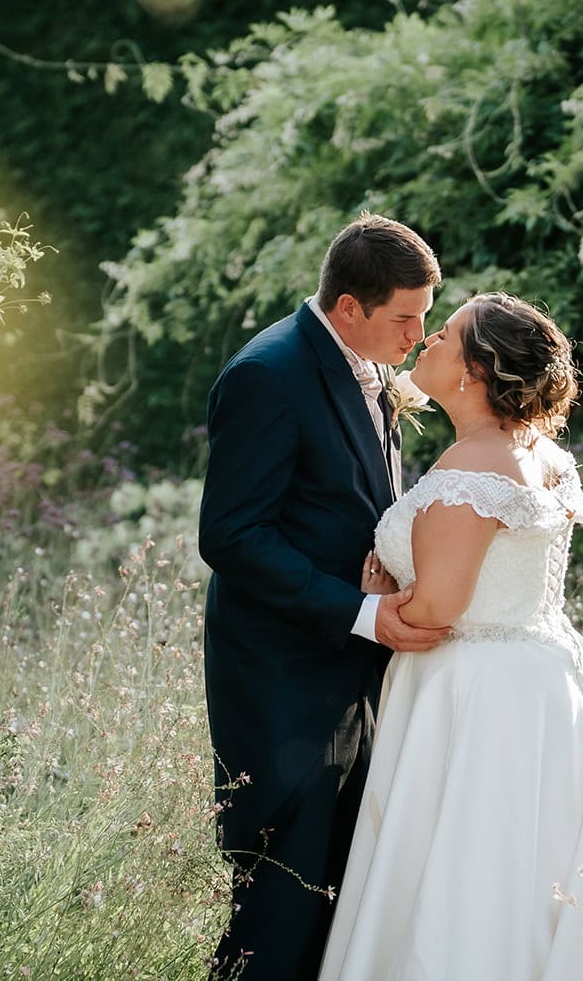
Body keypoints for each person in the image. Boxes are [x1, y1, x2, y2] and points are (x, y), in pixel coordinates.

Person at [318, 293, 583, 981]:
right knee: (536, 867)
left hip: (475, 696)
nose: (426, 340)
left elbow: (436, 606)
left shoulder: (469, 471)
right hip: (547, 677)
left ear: (475, 371)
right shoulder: (540, 452)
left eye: (445, 334)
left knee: (472, 874)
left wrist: (381, 598)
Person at [198, 212, 449, 980]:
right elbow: (233, 537)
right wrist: (364, 610)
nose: (417, 336)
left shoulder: (366, 362)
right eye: (405, 318)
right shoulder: (267, 374)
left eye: (426, 318)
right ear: (349, 307)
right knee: (278, 910)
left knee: (335, 904)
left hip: (354, 675)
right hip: (284, 686)